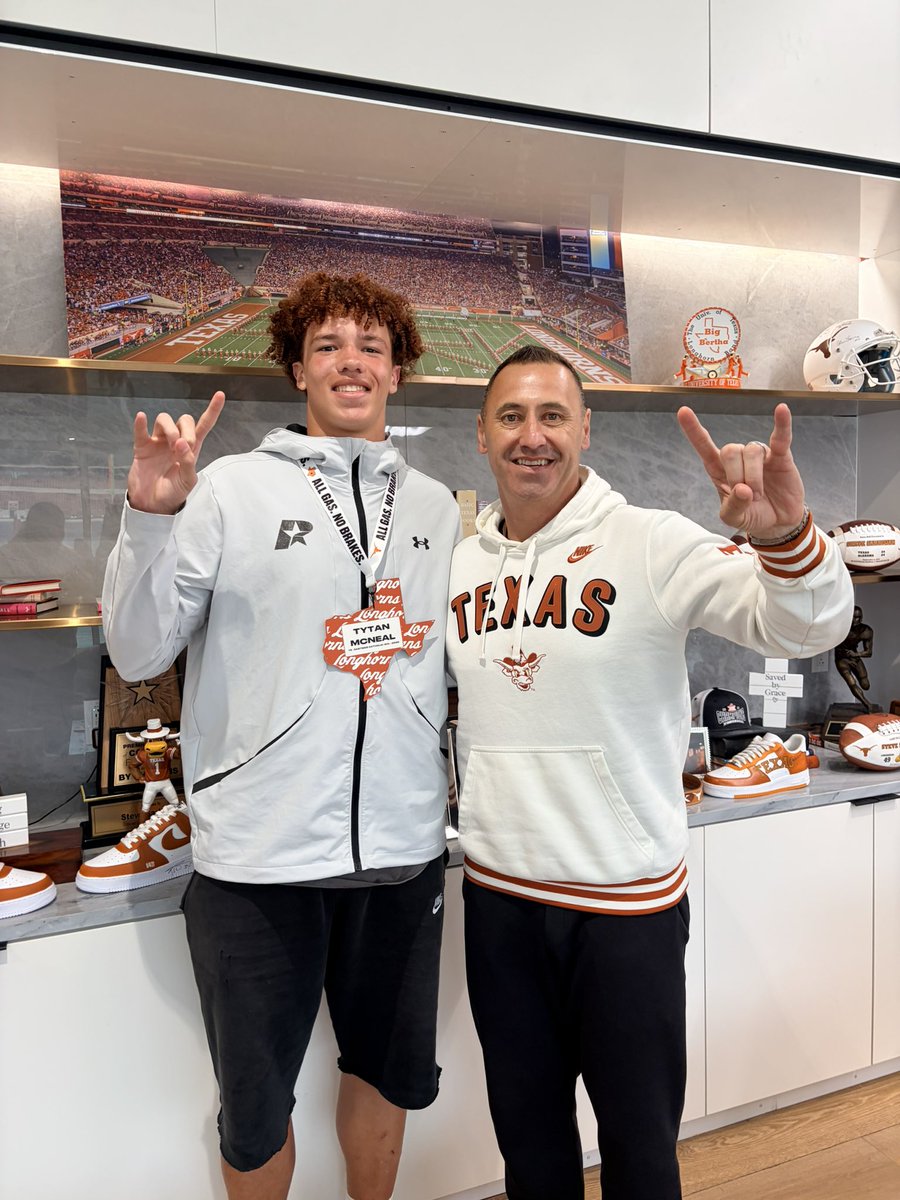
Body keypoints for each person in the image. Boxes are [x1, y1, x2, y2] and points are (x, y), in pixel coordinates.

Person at [446, 344, 854, 1200]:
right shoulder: (457, 565)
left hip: (625, 909)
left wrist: (783, 538)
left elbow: (808, 625)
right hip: (499, 902)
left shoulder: (651, 542)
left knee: (640, 1156)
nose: (533, 436)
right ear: (480, 435)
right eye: (512, 416)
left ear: (585, 430)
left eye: (553, 415)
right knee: (529, 1154)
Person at [102, 273, 460, 1200]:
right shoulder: (227, 490)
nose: (353, 361)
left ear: (399, 370)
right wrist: (150, 517)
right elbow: (138, 651)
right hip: (259, 858)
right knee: (256, 1107)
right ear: (298, 366)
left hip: (403, 848)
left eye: (372, 346)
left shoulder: (431, 507)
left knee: (387, 1078)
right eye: (331, 345)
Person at [834, 604, 874, 710]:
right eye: (854, 617)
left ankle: (866, 702)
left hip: (854, 657)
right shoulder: (840, 627)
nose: (857, 620)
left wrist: (855, 654)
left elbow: (869, 652)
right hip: (841, 659)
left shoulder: (866, 631)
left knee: (865, 685)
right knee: (852, 683)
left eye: (859, 617)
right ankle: (867, 704)